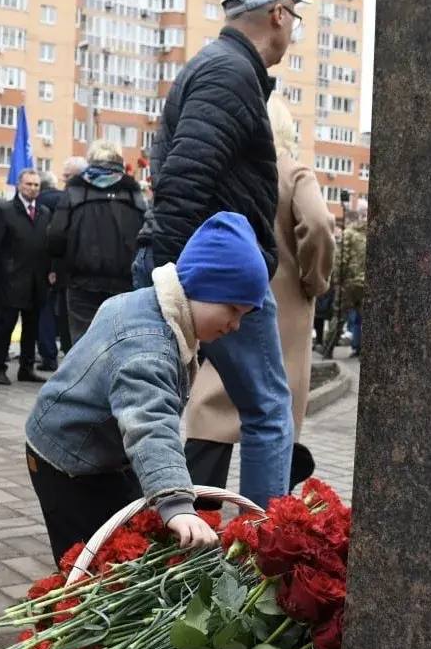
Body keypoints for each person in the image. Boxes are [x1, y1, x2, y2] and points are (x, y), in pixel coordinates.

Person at [134, 0, 309, 508]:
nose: (293, 29)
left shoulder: (218, 67)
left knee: (164, 401)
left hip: (200, 268)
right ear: (278, 14)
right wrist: (172, 280)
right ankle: (264, 549)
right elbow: (185, 178)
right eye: (294, 17)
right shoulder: (230, 72)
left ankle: (168, 533)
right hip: (217, 274)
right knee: (269, 411)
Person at [26, 212, 267, 564]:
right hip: (66, 461)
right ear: (200, 285)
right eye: (232, 308)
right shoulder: (147, 346)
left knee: (128, 534)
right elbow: (150, 423)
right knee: (86, 556)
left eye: (244, 315)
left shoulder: (152, 307)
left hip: (101, 449)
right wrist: (177, 503)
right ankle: (67, 611)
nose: (235, 324)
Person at [183, 97, 335, 493]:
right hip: (285, 310)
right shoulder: (294, 172)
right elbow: (318, 224)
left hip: (222, 301)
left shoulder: (231, 170)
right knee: (273, 415)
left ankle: (192, 516)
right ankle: (259, 527)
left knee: (213, 408)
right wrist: (314, 281)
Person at [47, 140, 147, 343]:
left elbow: (56, 236)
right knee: (117, 343)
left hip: (82, 282)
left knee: (84, 344)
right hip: (124, 282)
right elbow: (145, 233)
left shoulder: (75, 189)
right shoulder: (132, 190)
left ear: (90, 160)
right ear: (119, 160)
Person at [0, 168, 51, 386]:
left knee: (31, 329)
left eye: (36, 185)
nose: (32, 188)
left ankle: (26, 367)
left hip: (36, 281)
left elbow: (46, 246)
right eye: (29, 184)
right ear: (19, 185)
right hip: (10, 281)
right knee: (5, 327)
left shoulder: (44, 212)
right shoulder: (5, 210)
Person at [34, 171, 64, 370]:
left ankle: (48, 356)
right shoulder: (65, 198)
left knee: (44, 312)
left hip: (42, 264)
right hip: (62, 265)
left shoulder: (38, 203)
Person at [341, 204, 367, 358]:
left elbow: (341, 257)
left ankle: (329, 348)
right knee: (360, 316)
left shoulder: (350, 232)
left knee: (348, 315)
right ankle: (359, 348)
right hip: (362, 282)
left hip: (351, 281)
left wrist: (339, 278)